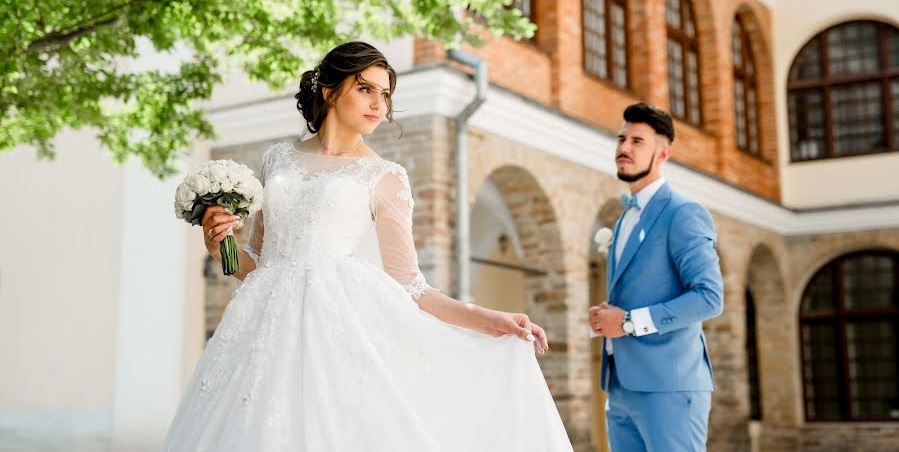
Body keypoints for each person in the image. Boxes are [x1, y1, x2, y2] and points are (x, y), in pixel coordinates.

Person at [164, 41, 574, 451]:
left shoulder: (385, 177)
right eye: (365, 89)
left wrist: (490, 319)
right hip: (261, 331)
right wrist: (220, 249)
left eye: (385, 93)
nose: (379, 103)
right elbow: (256, 262)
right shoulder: (277, 160)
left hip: (335, 333)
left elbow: (410, 285)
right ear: (328, 90)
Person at [588, 103, 723, 452]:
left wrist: (629, 322)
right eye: (621, 138)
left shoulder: (684, 213)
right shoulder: (624, 219)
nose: (624, 148)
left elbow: (709, 297)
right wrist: (608, 317)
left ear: (663, 153)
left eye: (637, 141)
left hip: (670, 388)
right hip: (620, 386)